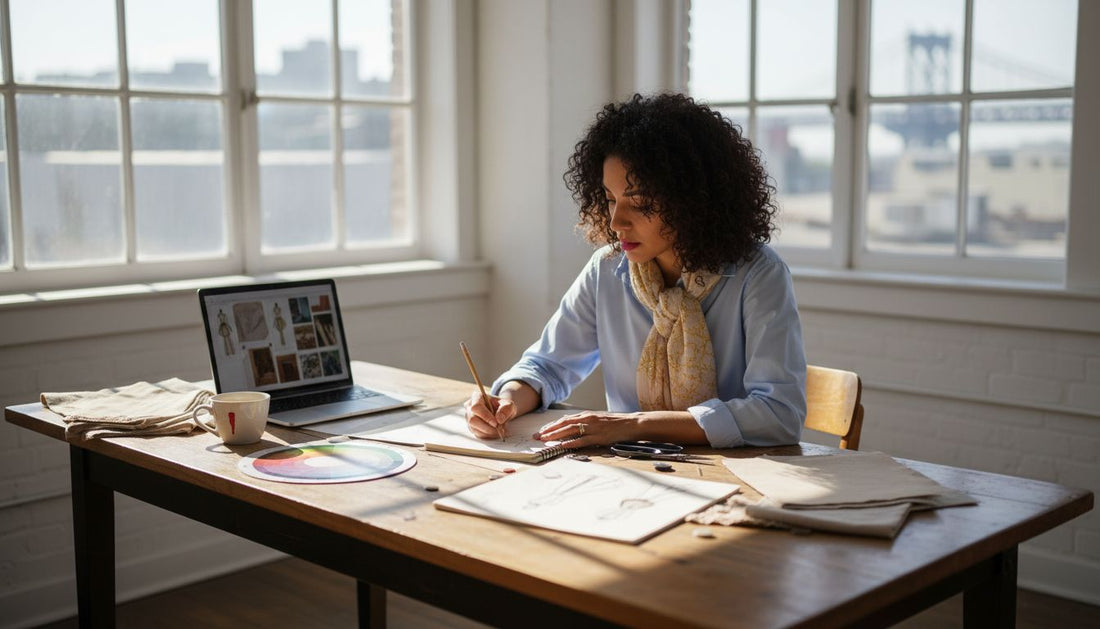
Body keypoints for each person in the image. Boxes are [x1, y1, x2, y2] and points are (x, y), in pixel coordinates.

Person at [464, 92, 806, 449]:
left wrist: (634, 425)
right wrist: (507, 401)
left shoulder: (759, 275)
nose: (615, 222)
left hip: (735, 475)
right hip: (633, 472)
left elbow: (778, 414)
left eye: (639, 204)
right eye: (610, 199)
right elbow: (547, 366)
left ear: (693, 201)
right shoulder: (608, 268)